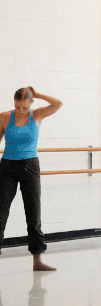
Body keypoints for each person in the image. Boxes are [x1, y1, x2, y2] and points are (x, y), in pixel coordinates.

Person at [0, 87, 62, 272]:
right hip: (7, 167)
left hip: (30, 166)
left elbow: (58, 104)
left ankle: (37, 260)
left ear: (31, 102)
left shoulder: (38, 114)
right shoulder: (4, 117)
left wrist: (39, 94)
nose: (20, 111)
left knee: (33, 213)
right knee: (0, 213)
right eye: (17, 107)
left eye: (24, 107)